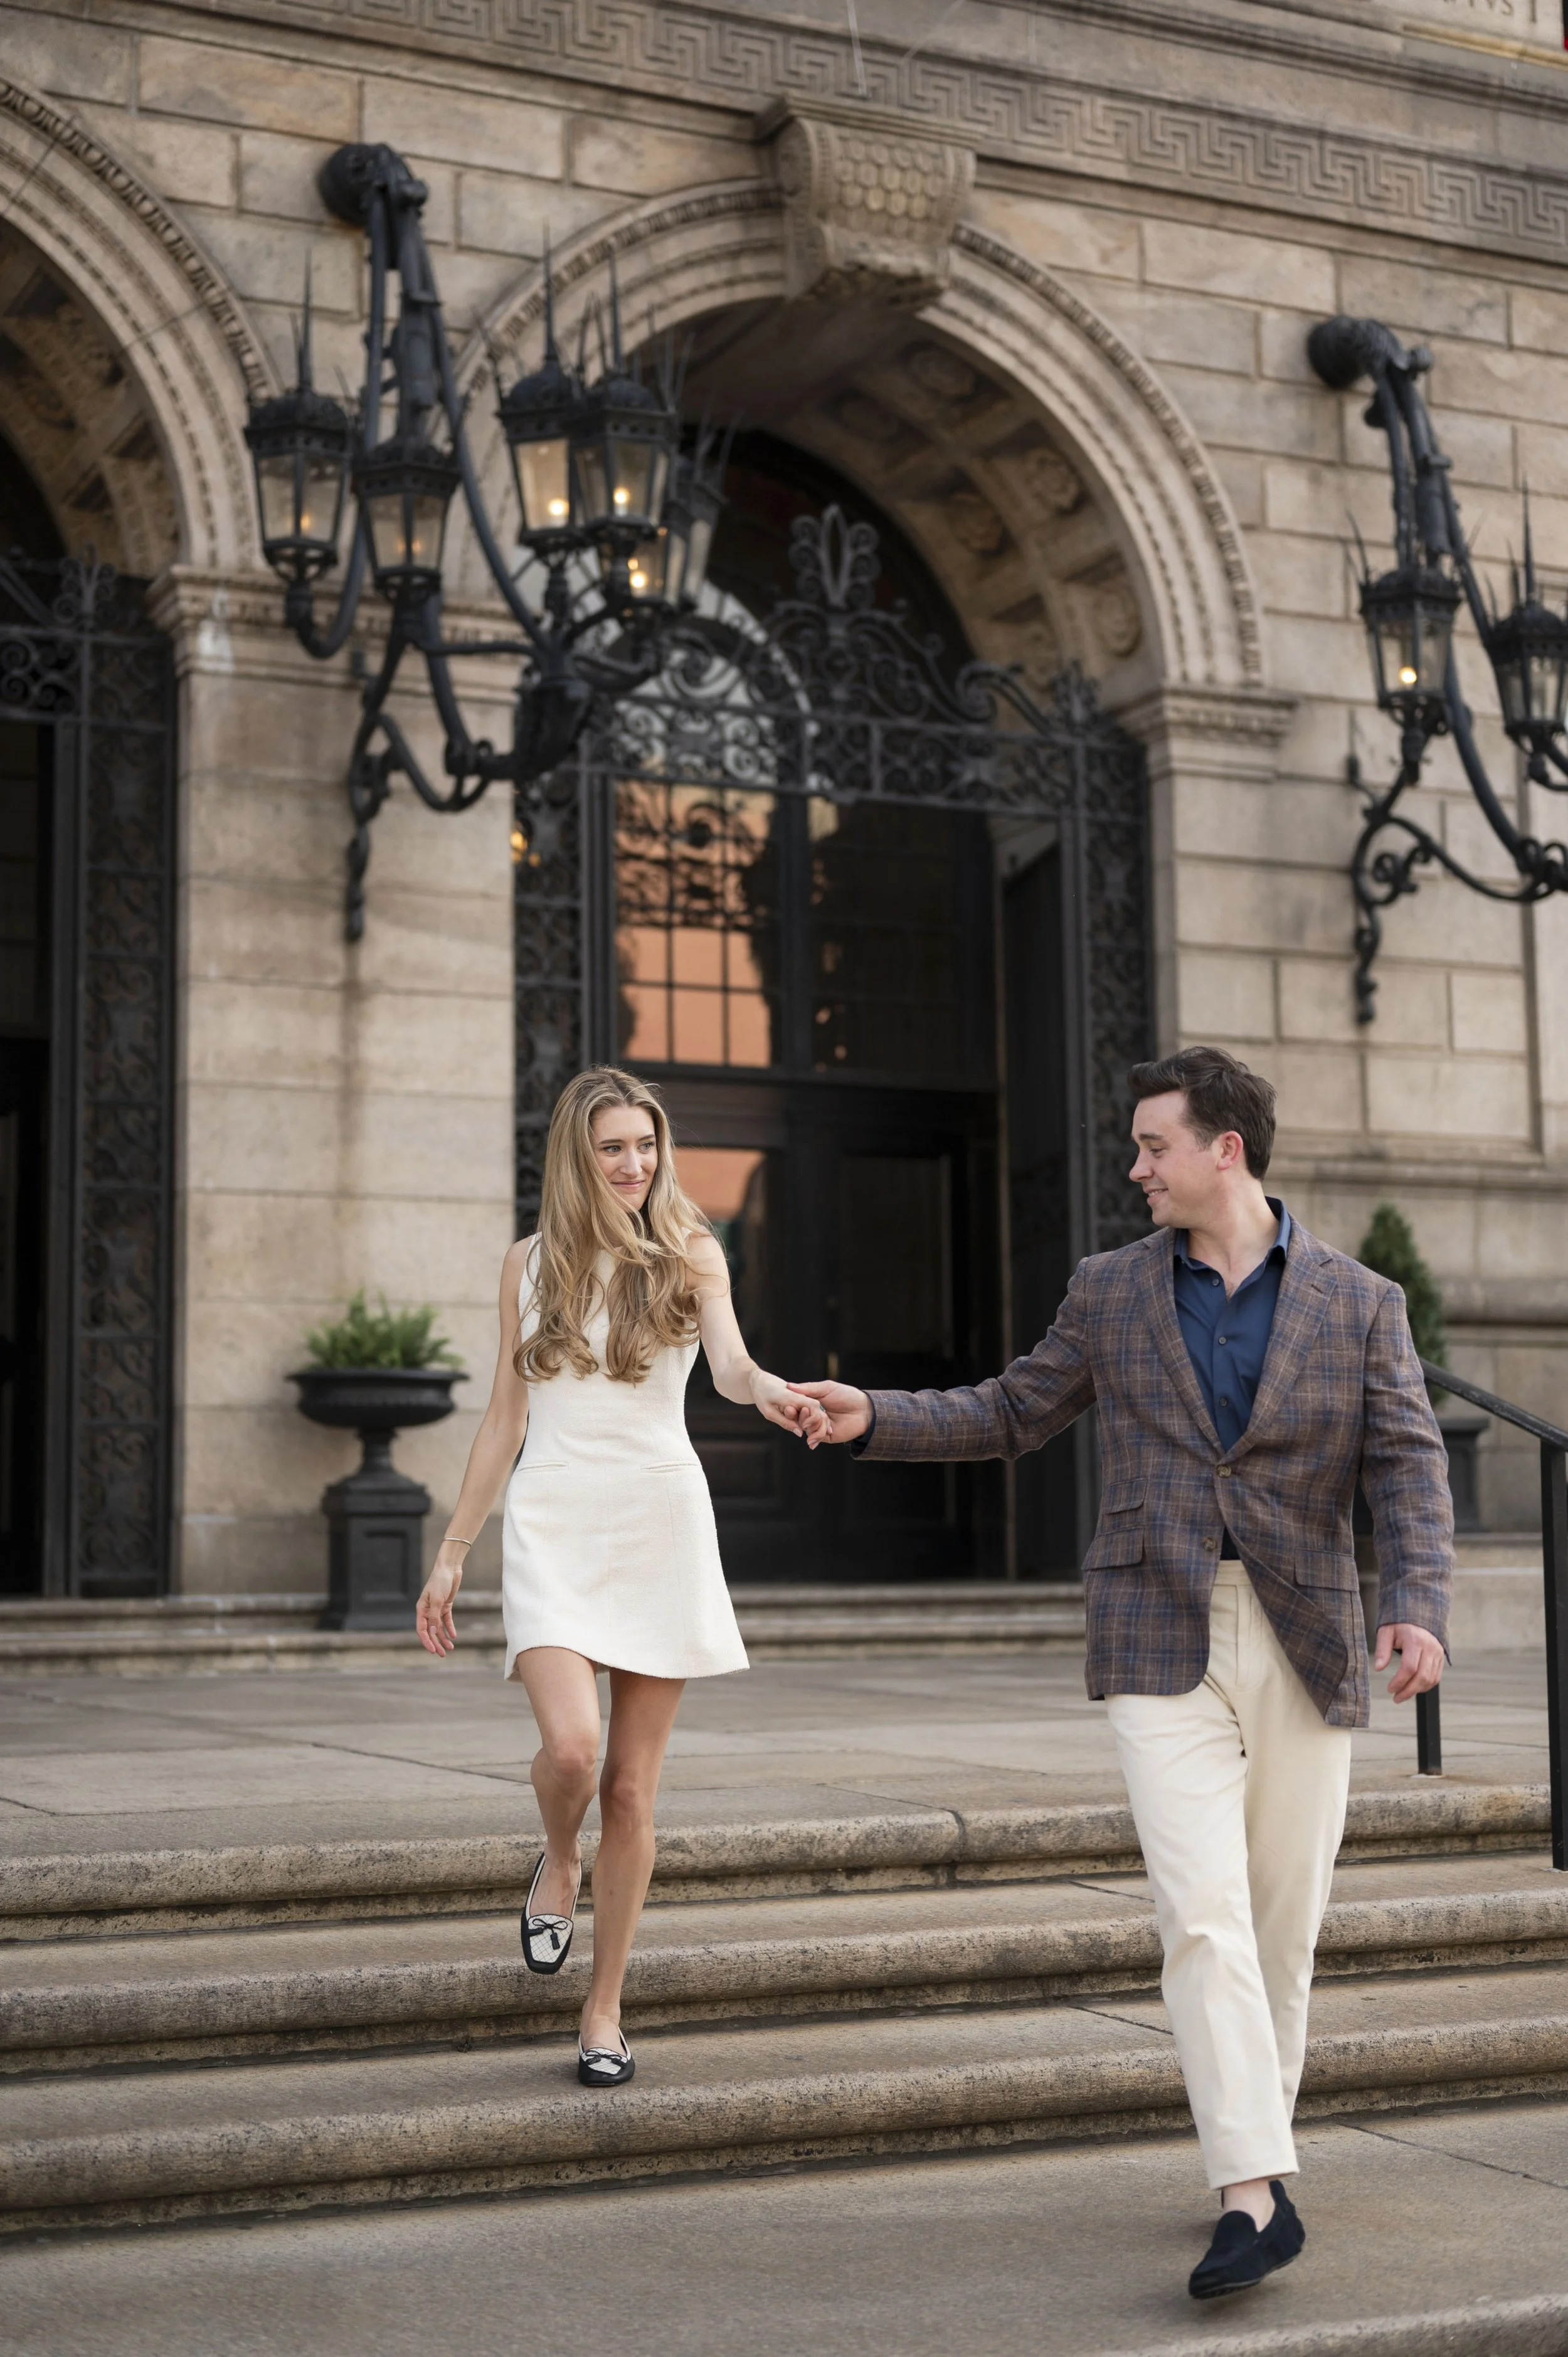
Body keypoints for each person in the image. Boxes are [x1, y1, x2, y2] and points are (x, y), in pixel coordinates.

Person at [792, 1046, 1451, 2301]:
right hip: (1159, 1630)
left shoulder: (1358, 1301)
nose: (1134, 1166)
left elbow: (1407, 1472)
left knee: (1276, 1928)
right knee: (1197, 1915)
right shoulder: (1108, 1291)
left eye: (1153, 1144)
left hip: (1306, 1634)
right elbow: (1007, 1410)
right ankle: (1248, 2195)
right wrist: (868, 1412)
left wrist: (1414, 1606)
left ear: (1224, 1151)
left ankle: (1256, 2158)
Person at [415, 1064, 825, 2088]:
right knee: (573, 1751)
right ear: (576, 1155)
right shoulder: (526, 1264)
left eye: (646, 1144)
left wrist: (773, 1390)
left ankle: (604, 2010)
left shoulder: (692, 1248)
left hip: (660, 1518)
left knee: (633, 1789)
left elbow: (729, 1368)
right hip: (554, 1515)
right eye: (613, 1147)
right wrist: (454, 1550)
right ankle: (559, 1858)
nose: (635, 1164)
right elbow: (505, 1419)